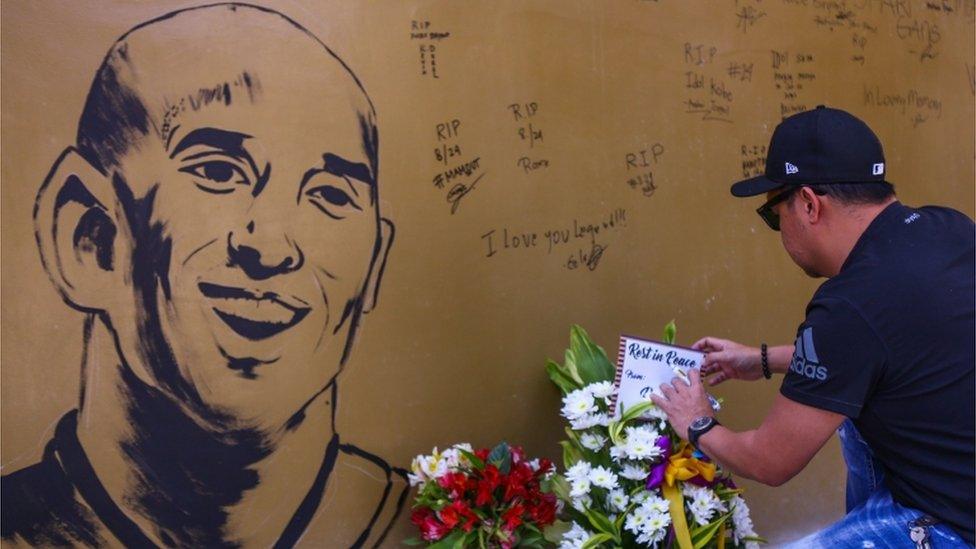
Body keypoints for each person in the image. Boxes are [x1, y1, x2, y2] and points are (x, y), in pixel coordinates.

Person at [1, 4, 405, 547]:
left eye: (330, 195)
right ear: (90, 238)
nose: (269, 246)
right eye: (218, 172)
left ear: (372, 267)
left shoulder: (448, 528)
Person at [652, 105, 975, 547]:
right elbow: (888, 348)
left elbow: (770, 462)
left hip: (952, 524)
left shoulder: (849, 302)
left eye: (772, 213)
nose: (777, 226)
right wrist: (762, 359)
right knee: (847, 409)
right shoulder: (950, 227)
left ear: (807, 204)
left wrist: (698, 423)